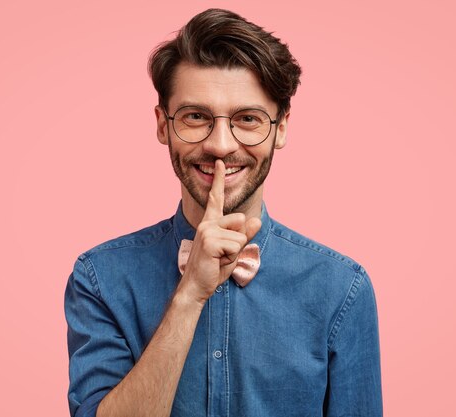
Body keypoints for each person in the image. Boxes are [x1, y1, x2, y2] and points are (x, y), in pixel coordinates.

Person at [65, 8, 382, 417]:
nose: (220, 145)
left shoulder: (342, 289)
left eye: (247, 119)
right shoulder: (99, 279)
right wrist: (189, 295)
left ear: (281, 127)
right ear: (163, 124)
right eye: (196, 116)